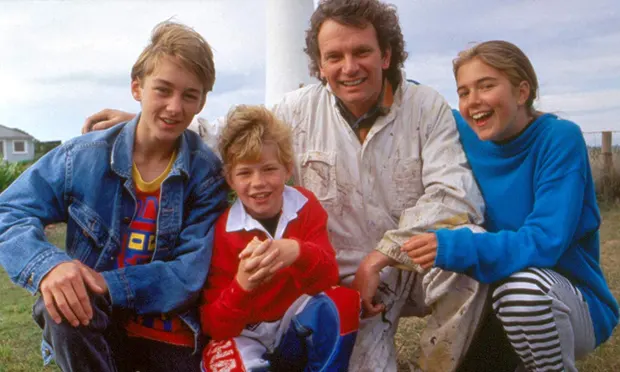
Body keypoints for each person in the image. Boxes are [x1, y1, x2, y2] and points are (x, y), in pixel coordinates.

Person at [82, 1, 488, 370]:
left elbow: (453, 197)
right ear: (319, 65)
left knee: (467, 252)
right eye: (334, 56)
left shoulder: (426, 107)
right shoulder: (298, 109)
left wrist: (382, 255)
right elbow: (234, 135)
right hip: (340, 278)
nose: (349, 67)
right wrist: (150, 122)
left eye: (361, 52)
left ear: (385, 54)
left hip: (409, 263)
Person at [0, 21, 229, 372]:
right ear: (137, 87)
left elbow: (187, 273)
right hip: (94, 325)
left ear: (202, 101)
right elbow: (9, 210)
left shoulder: (206, 174)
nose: (174, 107)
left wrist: (107, 283)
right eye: (163, 90)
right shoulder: (81, 157)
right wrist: (49, 266)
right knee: (60, 300)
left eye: (189, 95)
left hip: (167, 329)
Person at [401, 40, 619, 372]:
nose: (473, 101)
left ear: (521, 92)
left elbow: (544, 241)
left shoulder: (559, 139)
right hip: (493, 296)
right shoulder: (464, 131)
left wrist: (456, 244)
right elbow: (409, 92)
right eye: (463, 91)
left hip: (566, 300)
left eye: (486, 86)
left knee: (523, 292)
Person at [199, 105, 360, 371]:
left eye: (269, 169)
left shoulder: (305, 204)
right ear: (229, 179)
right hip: (245, 335)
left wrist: (297, 251)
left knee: (343, 302)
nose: (258, 182)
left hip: (293, 325)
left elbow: (329, 277)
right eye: (245, 173)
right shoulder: (223, 230)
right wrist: (241, 285)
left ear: (287, 169)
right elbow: (214, 325)